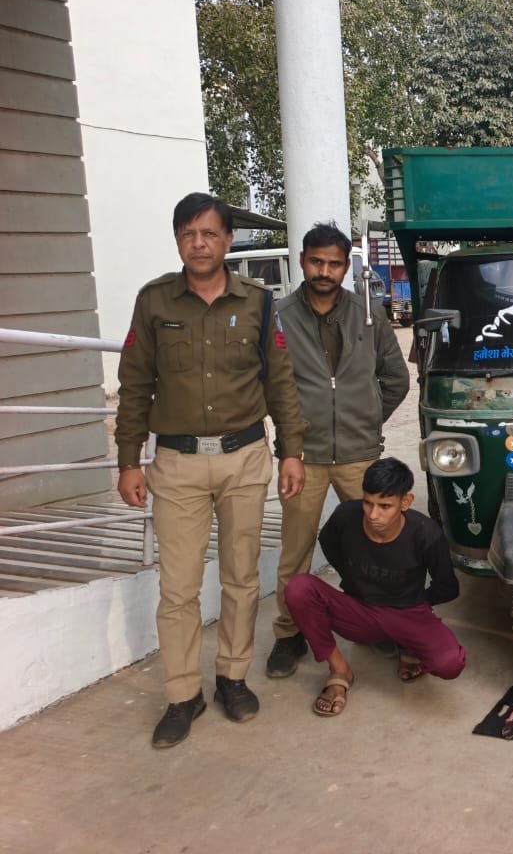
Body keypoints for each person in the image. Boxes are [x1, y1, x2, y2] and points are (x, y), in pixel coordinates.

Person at [116, 192, 307, 749]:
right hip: (176, 464)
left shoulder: (258, 302)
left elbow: (280, 382)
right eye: (188, 234)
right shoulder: (154, 301)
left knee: (241, 578)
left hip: (243, 459)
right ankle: (183, 694)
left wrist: (291, 450)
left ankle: (231, 678)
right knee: (177, 588)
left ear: (228, 240)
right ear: (178, 240)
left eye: (209, 233)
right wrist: (129, 459)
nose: (198, 243)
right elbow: (134, 385)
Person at [265, 223, 410, 681]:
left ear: (346, 267)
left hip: (358, 454)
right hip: (302, 457)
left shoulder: (367, 313)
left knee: (377, 545)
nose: (324, 271)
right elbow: (272, 387)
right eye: (316, 262)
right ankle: (289, 634)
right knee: (295, 552)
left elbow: (396, 378)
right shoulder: (280, 316)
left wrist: (366, 419)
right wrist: (289, 442)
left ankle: (378, 622)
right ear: (302, 261)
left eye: (333, 264)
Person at [284, 458, 466, 717]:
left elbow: (448, 587)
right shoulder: (346, 516)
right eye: (368, 503)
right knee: (298, 588)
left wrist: (417, 605)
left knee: (450, 663)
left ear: (406, 502)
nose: (373, 514)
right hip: (359, 611)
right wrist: (354, 584)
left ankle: (408, 645)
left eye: (385, 506)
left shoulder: (426, 533)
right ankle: (339, 671)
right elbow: (329, 543)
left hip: (409, 612)